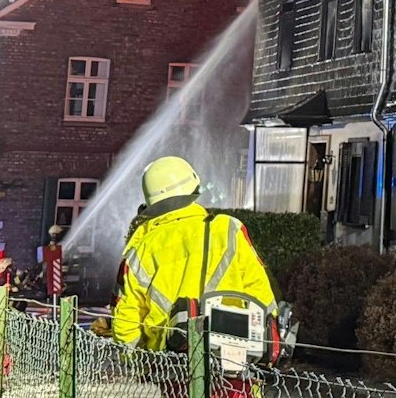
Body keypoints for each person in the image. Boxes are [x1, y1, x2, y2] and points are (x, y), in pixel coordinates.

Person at [108, 156, 276, 376]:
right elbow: (260, 291)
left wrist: (140, 363)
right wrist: (267, 341)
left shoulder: (141, 248)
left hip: (173, 368)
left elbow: (125, 317)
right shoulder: (229, 229)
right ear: (193, 188)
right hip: (234, 365)